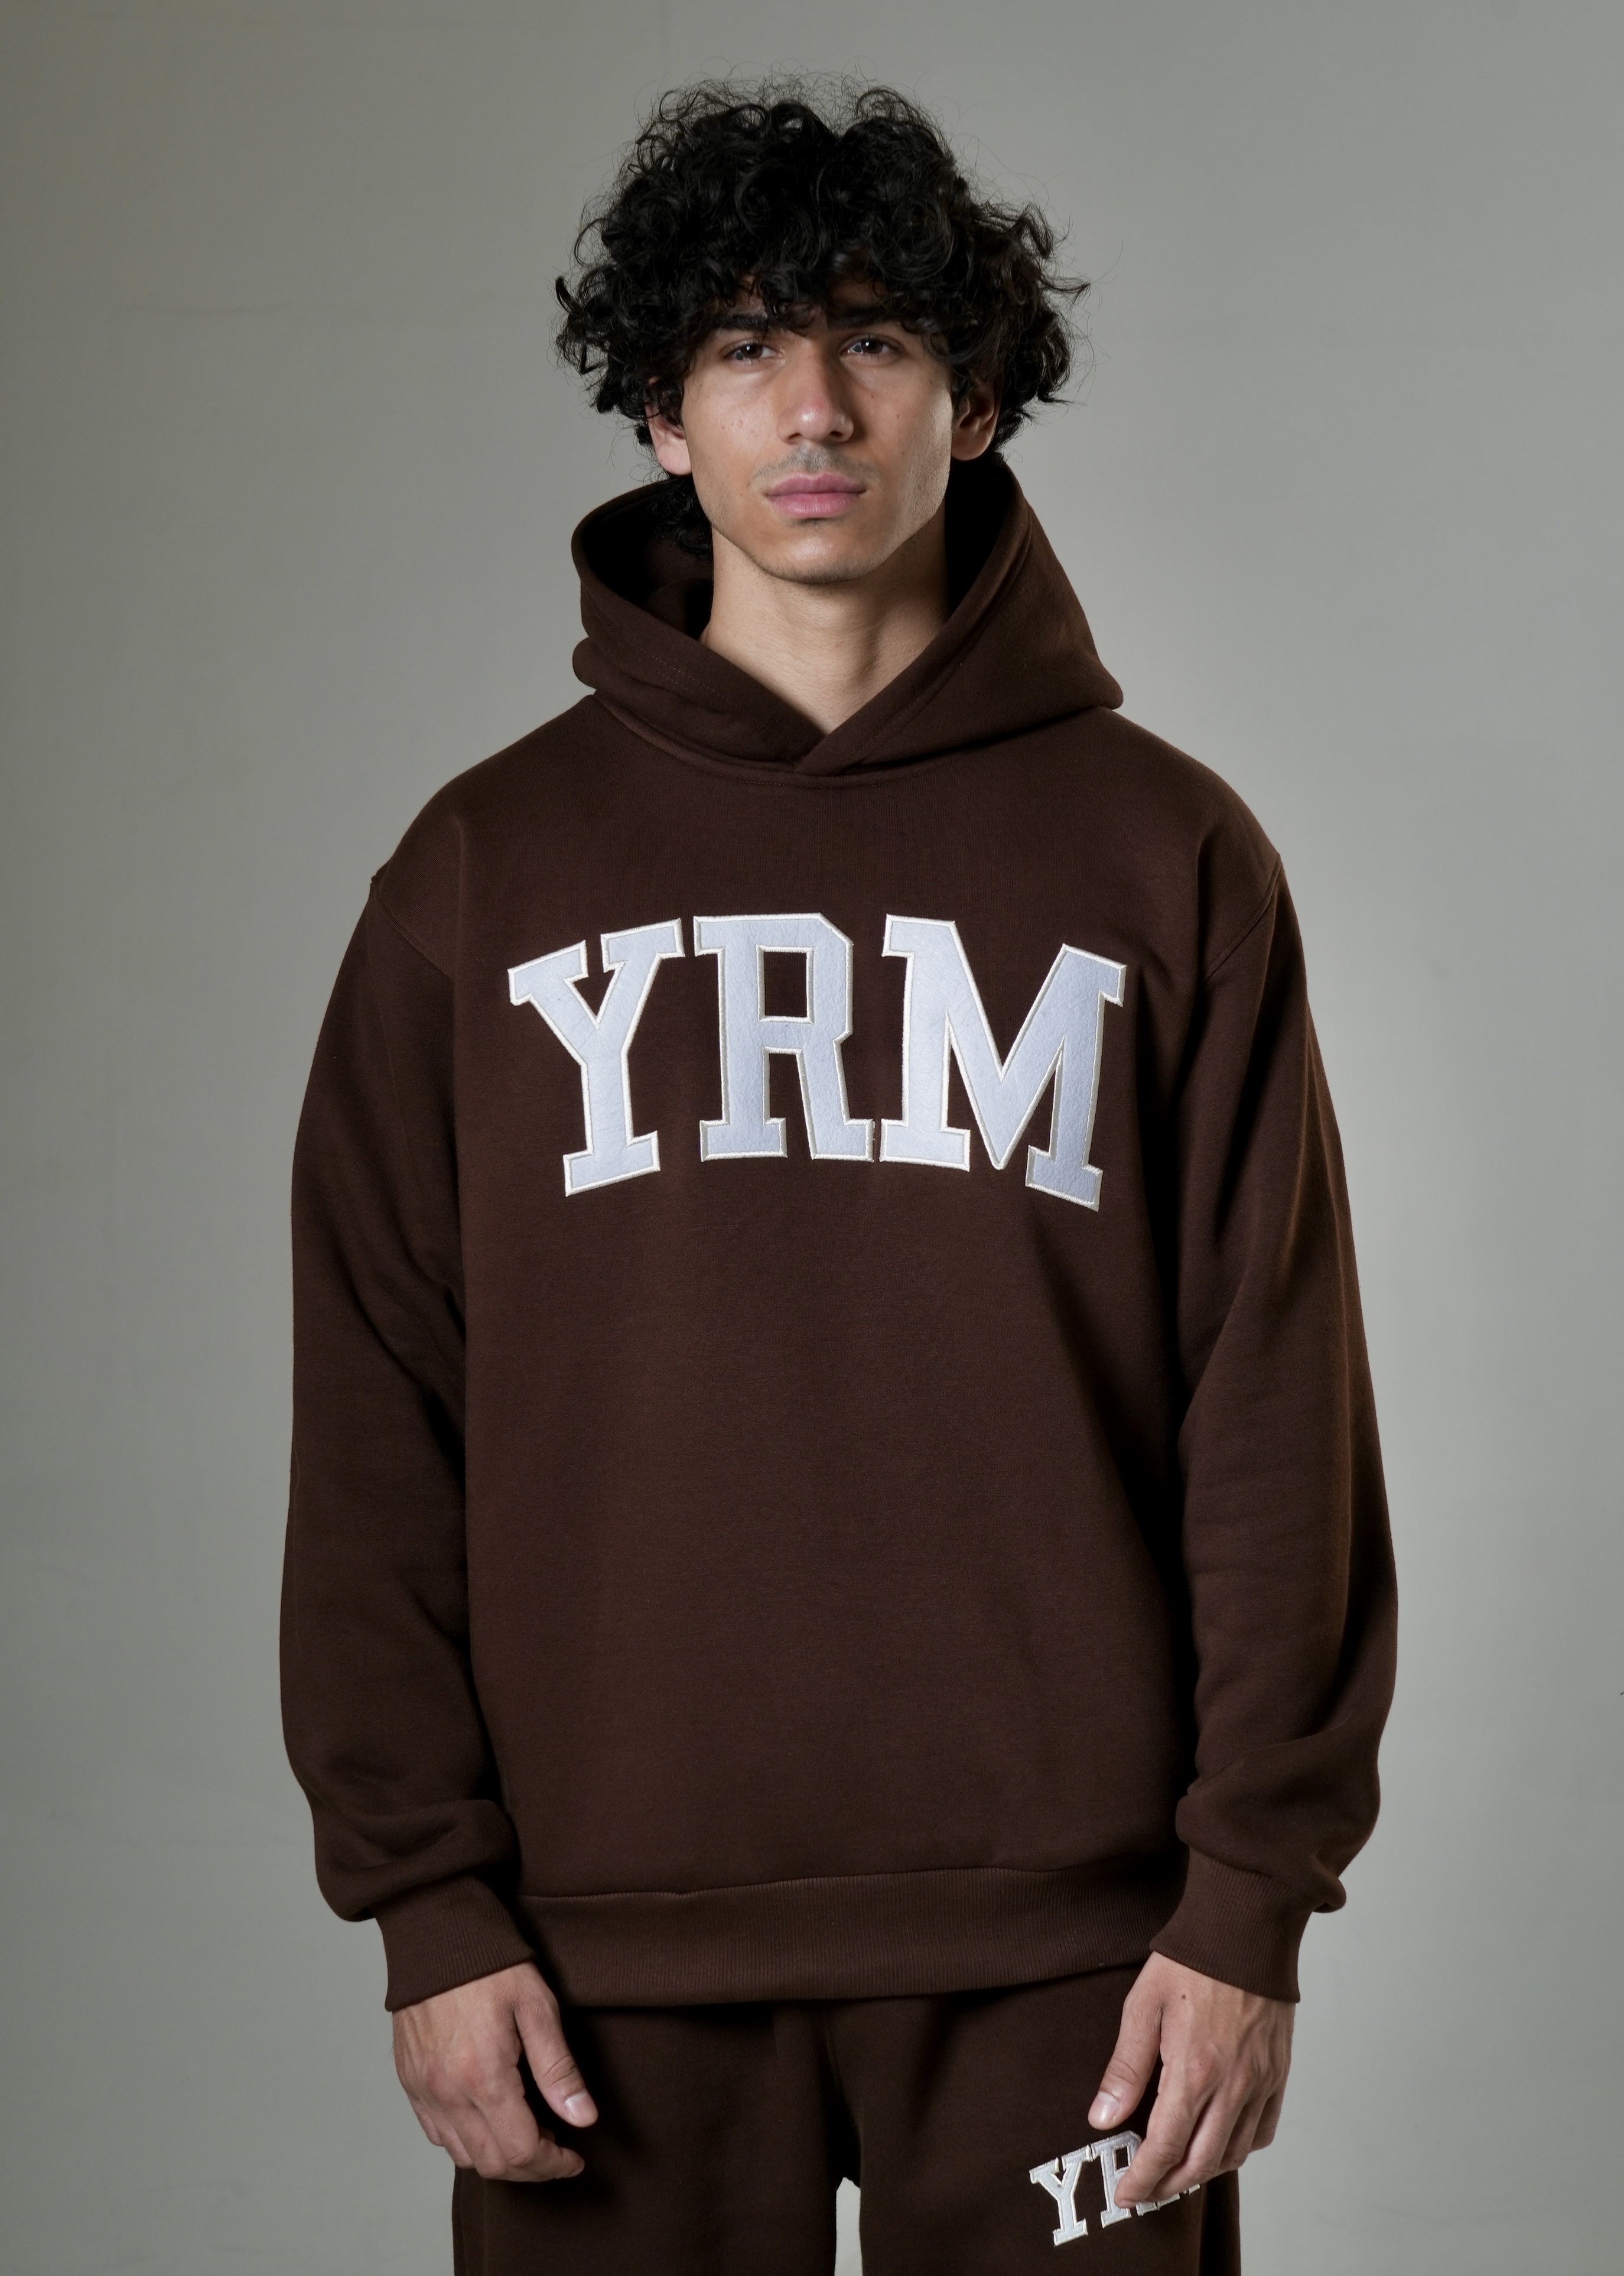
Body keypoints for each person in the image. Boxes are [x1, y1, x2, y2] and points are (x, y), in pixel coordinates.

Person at [281, 81, 1396, 2275]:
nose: (811, 406)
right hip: (594, 1962)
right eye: (742, 346)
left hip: (1086, 1957)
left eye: (876, 339)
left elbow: (1275, 1399)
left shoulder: (1166, 855)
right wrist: (425, 1899)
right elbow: (379, 1410)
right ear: (660, 412)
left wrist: (1250, 1901)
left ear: (973, 402)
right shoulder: (482, 877)